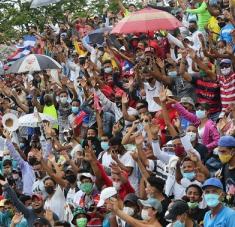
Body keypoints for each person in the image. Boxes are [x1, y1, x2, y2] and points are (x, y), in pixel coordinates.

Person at [217, 135, 235, 206]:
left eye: (223, 151)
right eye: (219, 152)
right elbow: (224, 195)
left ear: (233, 151)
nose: (221, 155)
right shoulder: (224, 167)